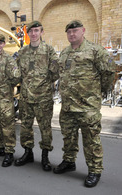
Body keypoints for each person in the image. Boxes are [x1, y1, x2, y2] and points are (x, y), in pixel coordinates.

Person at [53, 20, 115, 187]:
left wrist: (99, 91)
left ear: (83, 31)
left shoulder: (96, 51)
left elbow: (109, 72)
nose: (72, 34)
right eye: (69, 32)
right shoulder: (64, 53)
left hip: (87, 106)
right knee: (69, 137)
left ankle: (95, 170)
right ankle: (69, 161)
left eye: (75, 31)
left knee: (91, 140)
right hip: (68, 106)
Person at [14, 21, 59, 171]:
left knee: (45, 128)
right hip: (26, 98)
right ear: (28, 34)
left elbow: (55, 72)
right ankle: (28, 153)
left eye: (36, 31)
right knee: (26, 127)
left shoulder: (48, 50)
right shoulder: (22, 52)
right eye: (31, 31)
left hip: (43, 99)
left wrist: (43, 85)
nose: (33, 34)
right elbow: (17, 73)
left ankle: (45, 156)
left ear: (41, 32)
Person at [0, 34, 21, 167]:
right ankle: (0, 146)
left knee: (7, 126)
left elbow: (16, 77)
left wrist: (7, 86)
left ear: (4, 44)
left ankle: (9, 152)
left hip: (5, 99)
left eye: (0, 43)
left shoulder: (9, 59)